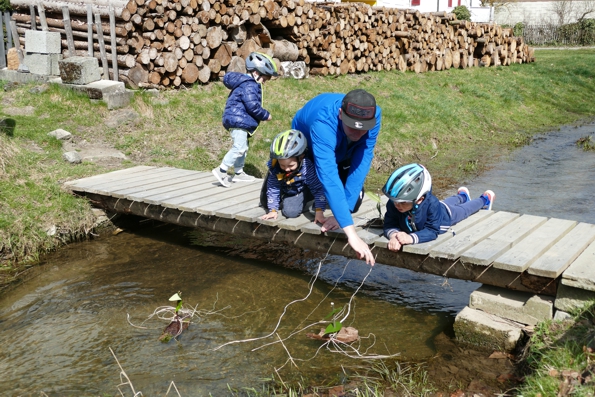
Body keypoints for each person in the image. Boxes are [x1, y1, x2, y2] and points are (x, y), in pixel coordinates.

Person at [291, 89, 382, 266]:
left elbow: (362, 160)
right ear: (341, 114)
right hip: (309, 143)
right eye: (353, 127)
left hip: (342, 147)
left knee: (352, 202)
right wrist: (352, 235)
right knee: (308, 190)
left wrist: (343, 214)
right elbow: (328, 176)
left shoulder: (374, 115)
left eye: (363, 129)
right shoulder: (323, 123)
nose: (358, 134)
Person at [382, 163, 495, 252]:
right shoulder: (394, 204)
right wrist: (394, 236)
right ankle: (462, 196)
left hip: (445, 217)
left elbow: (432, 231)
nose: (397, 205)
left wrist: (410, 238)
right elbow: (389, 224)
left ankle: (485, 200)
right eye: (395, 201)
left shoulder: (432, 204)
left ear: (420, 199)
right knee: (446, 202)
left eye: (403, 203)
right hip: (438, 206)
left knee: (464, 210)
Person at [212, 52, 278, 188]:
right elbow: (252, 105)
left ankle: (238, 173)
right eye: (265, 78)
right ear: (255, 73)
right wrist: (265, 115)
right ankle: (221, 170)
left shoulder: (248, 83)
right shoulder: (250, 85)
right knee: (239, 147)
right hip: (238, 119)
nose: (265, 81)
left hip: (238, 119)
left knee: (244, 147)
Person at [259, 129, 328, 225]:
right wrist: (273, 210)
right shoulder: (276, 167)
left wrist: (319, 211)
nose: (286, 169)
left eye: (291, 166)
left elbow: (318, 189)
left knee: (291, 212)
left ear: (301, 158)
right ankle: (282, 197)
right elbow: (273, 189)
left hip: (300, 187)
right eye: (282, 165)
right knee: (265, 203)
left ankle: (306, 197)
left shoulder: (307, 168)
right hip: (286, 185)